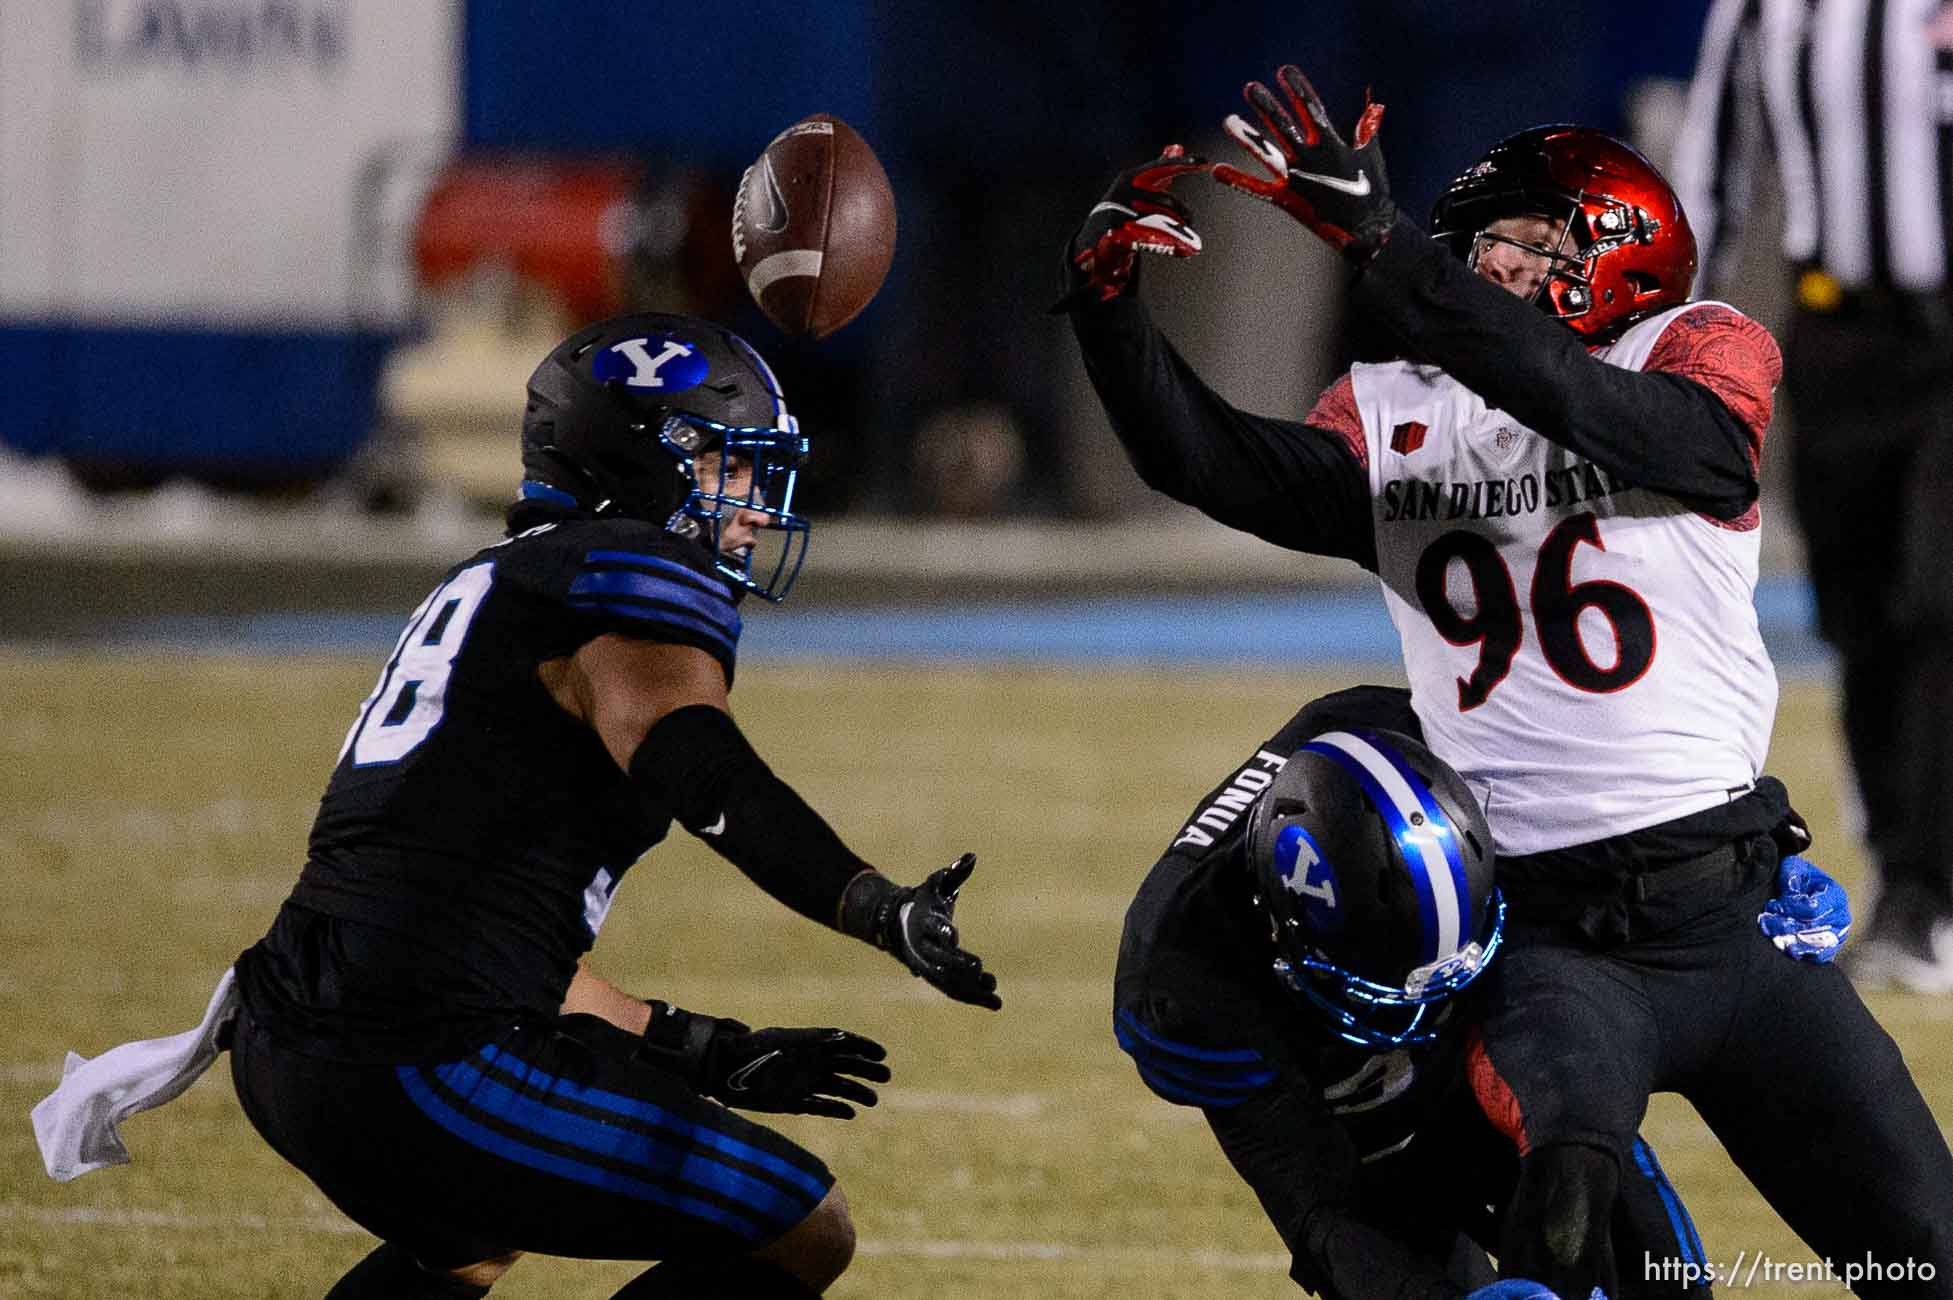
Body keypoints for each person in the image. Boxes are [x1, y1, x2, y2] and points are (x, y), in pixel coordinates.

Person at [1059, 63, 1953, 1300]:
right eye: (1487, 245)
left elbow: (1616, 420)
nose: (1499, 266)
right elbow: (1218, 464)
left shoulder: (1692, 350)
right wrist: (1111, 317)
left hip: (1731, 919)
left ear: (1626, 254)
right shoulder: (1395, 412)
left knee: (1927, 1253)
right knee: (1572, 1238)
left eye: (1535, 243)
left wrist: (1389, 253)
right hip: (1547, 942)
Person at [221, 312, 1002, 1299]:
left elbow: (475, 933)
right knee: (800, 1225)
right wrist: (868, 901)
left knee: (470, 1235)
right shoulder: (620, 572)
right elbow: (702, 770)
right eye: (731, 464)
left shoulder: (493, 583)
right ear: (647, 460)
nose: (757, 505)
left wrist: (704, 1048)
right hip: (410, 1061)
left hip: (286, 1033)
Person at [1115, 682, 1848, 1299]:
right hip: (1347, 1124)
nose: (1419, 1000)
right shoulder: (1183, 979)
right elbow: (1319, 1207)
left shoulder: (1462, 746)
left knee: (1654, 1268)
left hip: (1483, 1030)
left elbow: (1633, 772)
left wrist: (1752, 845)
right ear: (1286, 931)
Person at [1672, 0, 1953, 993]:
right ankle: (1907, 865)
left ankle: (1924, 895)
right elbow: (1712, 172)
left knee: (1937, 602)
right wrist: (1660, 345)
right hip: (1835, 337)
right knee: (1862, 613)